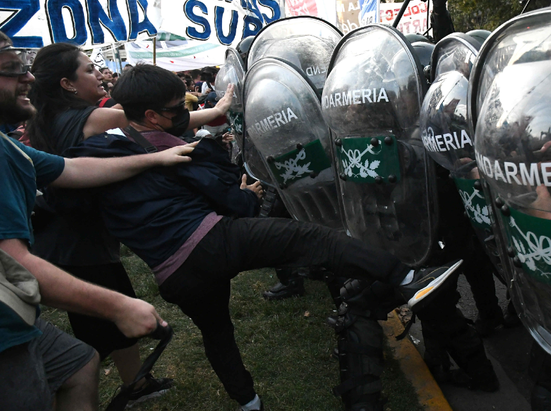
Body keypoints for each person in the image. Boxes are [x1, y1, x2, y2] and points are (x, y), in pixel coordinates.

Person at [67, 64, 462, 411]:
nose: (187, 116)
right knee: (314, 239)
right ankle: (407, 280)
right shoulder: (185, 153)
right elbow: (237, 205)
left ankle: (248, 401)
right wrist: (246, 193)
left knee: (217, 333)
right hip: (212, 241)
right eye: (179, 111)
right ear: (152, 116)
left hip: (173, 276)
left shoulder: (102, 156)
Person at [22, 43, 233, 403]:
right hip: (80, 240)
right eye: (89, 70)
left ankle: (134, 382)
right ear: (67, 84)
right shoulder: (91, 118)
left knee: (98, 317)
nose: (99, 74)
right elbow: (158, 120)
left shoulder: (46, 118)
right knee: (110, 315)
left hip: (61, 236)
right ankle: (122, 384)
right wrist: (220, 108)